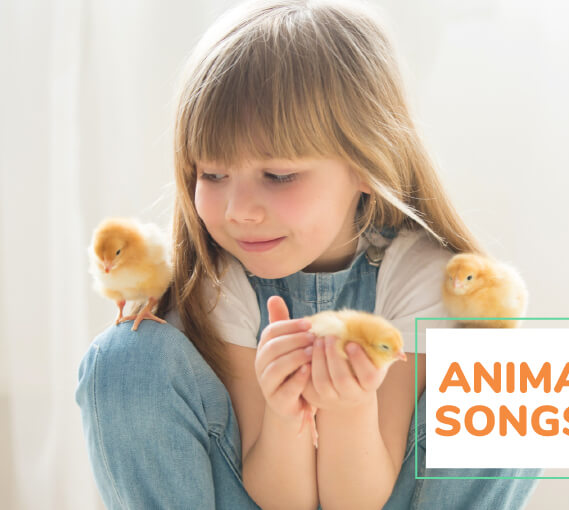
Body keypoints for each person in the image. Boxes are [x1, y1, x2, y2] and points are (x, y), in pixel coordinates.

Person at [75, 0, 541, 508]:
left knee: (510, 373)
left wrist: (350, 408)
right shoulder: (219, 280)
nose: (239, 211)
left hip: (375, 490)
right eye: (212, 174)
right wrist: (283, 416)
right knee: (124, 361)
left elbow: (360, 501)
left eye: (278, 176)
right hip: (262, 490)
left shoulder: (421, 276)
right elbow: (280, 500)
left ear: (367, 166)